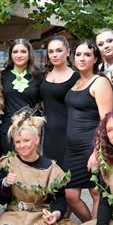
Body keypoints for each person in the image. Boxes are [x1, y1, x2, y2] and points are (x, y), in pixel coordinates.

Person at [0, 110, 70, 225]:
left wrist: (56, 213)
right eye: (18, 142)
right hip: (17, 212)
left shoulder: (51, 168)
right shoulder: (8, 163)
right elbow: (0, 199)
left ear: (36, 140)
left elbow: (60, 199)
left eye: (26, 140)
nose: (22, 145)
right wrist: (5, 184)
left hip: (41, 214)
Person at [64, 41, 113, 222]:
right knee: (70, 195)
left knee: (96, 193)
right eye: (78, 54)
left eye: (87, 55)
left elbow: (106, 120)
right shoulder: (77, 81)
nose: (82, 58)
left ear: (96, 59)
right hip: (72, 149)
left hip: (90, 145)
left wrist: (97, 152)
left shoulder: (100, 82)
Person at [39, 36, 78, 165]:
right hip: (47, 131)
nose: (54, 55)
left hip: (66, 131)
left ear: (68, 52)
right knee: (49, 170)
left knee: (64, 171)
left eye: (59, 50)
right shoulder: (45, 75)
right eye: (51, 51)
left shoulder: (76, 77)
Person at [0, 39, 43, 154]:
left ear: (29, 54)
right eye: (15, 52)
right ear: (10, 55)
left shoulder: (38, 76)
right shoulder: (2, 76)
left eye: (23, 51)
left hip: (32, 129)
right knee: (10, 162)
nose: (19, 55)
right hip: (8, 129)